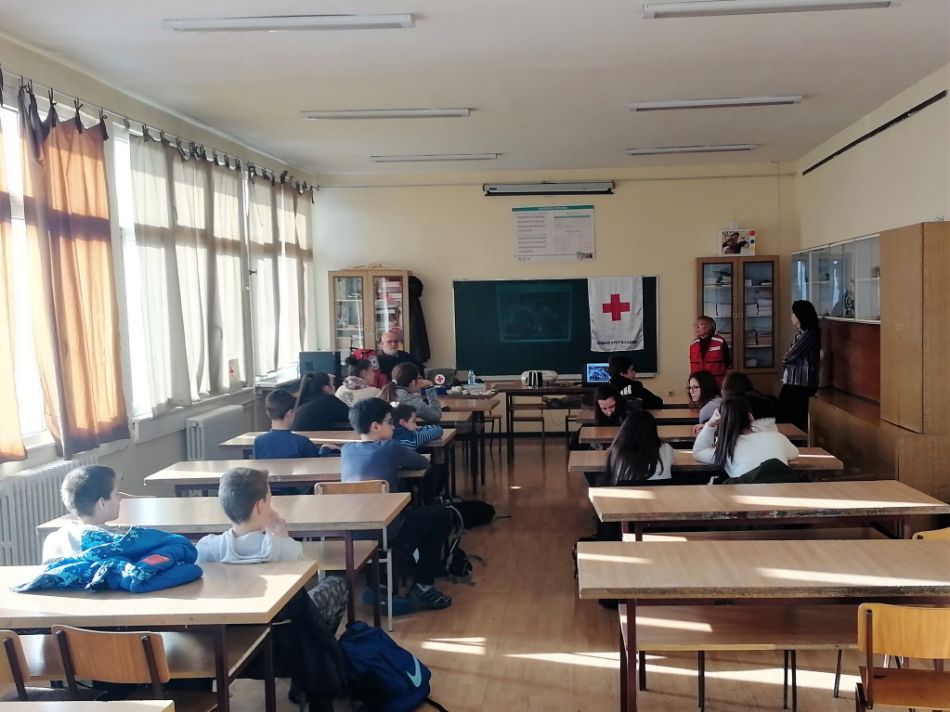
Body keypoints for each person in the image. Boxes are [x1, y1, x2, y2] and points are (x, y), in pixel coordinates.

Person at [196, 467, 347, 712]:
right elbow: (301, 596)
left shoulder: (206, 549)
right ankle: (312, 677)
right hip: (284, 646)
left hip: (222, 644)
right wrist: (282, 536)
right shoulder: (285, 549)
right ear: (260, 506)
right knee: (336, 586)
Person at [341, 398, 453, 610]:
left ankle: (379, 584)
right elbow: (422, 462)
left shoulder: (347, 450)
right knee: (440, 515)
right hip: (386, 531)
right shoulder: (390, 447)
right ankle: (423, 585)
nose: (393, 427)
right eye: (389, 422)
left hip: (353, 532)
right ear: (375, 426)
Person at [692, 396, 799, 479]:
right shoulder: (777, 438)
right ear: (750, 417)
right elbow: (794, 453)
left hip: (746, 496)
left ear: (721, 422)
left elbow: (698, 452)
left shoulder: (727, 449)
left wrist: (710, 424)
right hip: (783, 493)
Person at [42, 465, 122, 563]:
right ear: (102, 503)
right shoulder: (118, 542)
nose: (120, 498)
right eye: (116, 494)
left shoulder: (53, 539)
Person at [255, 390, 339, 459]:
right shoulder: (302, 442)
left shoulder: (259, 441)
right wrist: (325, 449)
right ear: (289, 413)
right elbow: (317, 463)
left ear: (268, 413)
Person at [778, 300, 821, 431]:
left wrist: (786, 357)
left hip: (801, 384)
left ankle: (792, 441)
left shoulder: (810, 333)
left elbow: (789, 356)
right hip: (793, 382)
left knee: (790, 419)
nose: (791, 316)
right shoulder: (801, 333)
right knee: (782, 415)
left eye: (794, 313)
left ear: (800, 316)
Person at [604, 409, 675, 486]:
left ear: (626, 429)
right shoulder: (666, 448)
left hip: (627, 492)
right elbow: (672, 461)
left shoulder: (617, 451)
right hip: (662, 492)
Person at [378, 362, 442, 423]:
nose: (422, 380)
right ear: (413, 382)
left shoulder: (383, 393)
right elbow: (436, 416)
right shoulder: (411, 400)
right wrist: (430, 387)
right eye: (419, 378)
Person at [689, 316, 731, 387]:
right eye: (695, 325)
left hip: (716, 383)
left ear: (709, 326)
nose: (696, 327)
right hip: (698, 384)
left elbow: (727, 362)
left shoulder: (720, 342)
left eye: (700, 324)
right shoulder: (693, 345)